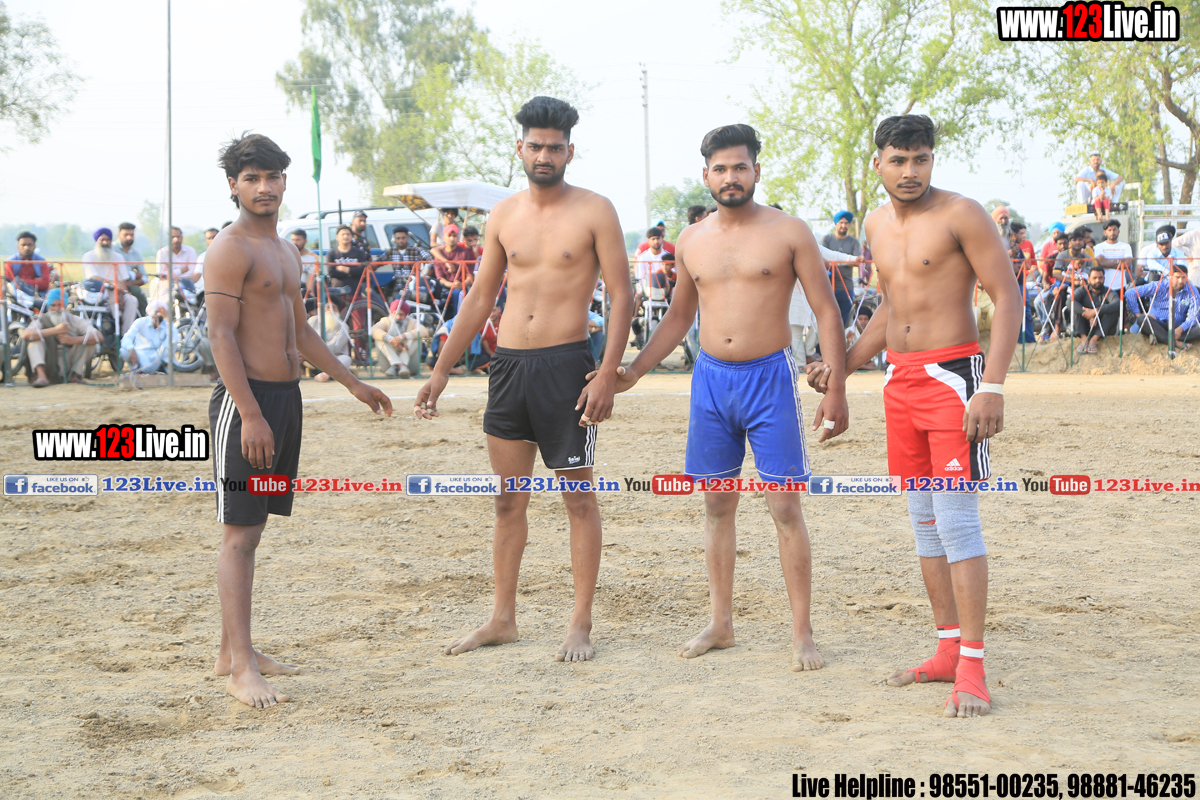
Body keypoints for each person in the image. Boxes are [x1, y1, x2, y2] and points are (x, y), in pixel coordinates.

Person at [613, 124, 849, 672]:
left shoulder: (789, 231)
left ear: (756, 170)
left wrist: (836, 386)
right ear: (706, 176)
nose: (730, 177)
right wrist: (635, 370)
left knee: (784, 505)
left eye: (740, 166)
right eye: (720, 169)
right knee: (717, 504)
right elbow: (679, 317)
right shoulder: (691, 239)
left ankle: (802, 633)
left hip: (771, 379)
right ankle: (721, 623)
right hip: (711, 380)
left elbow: (826, 309)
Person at [809, 114, 1021, 718]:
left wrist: (993, 386)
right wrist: (843, 369)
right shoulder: (874, 224)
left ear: (932, 160)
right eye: (898, 160)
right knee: (925, 522)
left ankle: (973, 669)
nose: (910, 171)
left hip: (954, 379)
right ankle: (948, 650)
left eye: (920, 159)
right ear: (877, 162)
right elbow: (890, 308)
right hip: (898, 380)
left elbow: (1007, 296)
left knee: (957, 523)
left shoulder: (962, 214)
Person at [414, 96, 634, 663]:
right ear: (520, 148)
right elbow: (479, 299)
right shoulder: (504, 215)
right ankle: (502, 619)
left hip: (567, 367)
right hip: (508, 367)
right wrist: (440, 370)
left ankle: (580, 623)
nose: (544, 155)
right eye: (535, 146)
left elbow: (622, 295)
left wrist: (606, 373)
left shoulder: (595, 210)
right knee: (508, 500)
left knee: (578, 499)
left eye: (554, 147)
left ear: (569, 152)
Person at [205, 132, 392, 708]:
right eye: (252, 178)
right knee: (239, 535)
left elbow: (302, 331)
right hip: (247, 404)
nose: (264, 187)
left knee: (255, 527)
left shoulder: (285, 250)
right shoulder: (229, 248)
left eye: (272, 177)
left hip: (286, 399)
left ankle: (232, 651)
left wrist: (353, 382)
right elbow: (221, 336)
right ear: (233, 185)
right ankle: (240, 669)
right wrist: (250, 414)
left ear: (285, 181)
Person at [19, 288, 101, 386]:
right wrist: (55, 330)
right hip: (48, 361)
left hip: (68, 361)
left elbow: (98, 337)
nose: (57, 309)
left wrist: (72, 340)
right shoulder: (42, 319)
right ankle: (42, 377)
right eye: (53, 305)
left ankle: (74, 375)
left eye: (60, 305)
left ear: (65, 306)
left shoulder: (75, 320)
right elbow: (26, 335)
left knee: (89, 342)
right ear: (49, 306)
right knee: (34, 340)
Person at [81, 227, 139, 334]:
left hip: (116, 291)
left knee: (132, 300)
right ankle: (113, 329)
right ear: (97, 241)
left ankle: (125, 335)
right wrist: (112, 283)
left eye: (108, 240)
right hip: (97, 293)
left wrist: (120, 296)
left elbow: (122, 280)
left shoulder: (118, 257)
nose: (105, 242)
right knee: (112, 299)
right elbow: (93, 277)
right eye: (102, 240)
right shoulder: (88, 256)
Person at [1125, 264, 1200, 346]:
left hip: (1177, 326)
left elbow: (1194, 315)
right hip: (1157, 323)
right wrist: (1138, 314)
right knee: (1143, 319)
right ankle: (1174, 343)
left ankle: (1159, 337)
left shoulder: (1192, 291)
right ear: (1170, 276)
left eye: (1184, 277)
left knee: (1197, 328)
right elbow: (1130, 293)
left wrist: (1181, 328)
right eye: (1177, 277)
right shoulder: (1159, 285)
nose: (1181, 281)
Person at [820, 210, 862, 326]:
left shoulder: (854, 242)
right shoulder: (826, 239)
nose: (844, 225)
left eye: (846, 223)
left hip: (846, 287)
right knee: (828, 321)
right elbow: (822, 259)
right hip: (828, 287)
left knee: (845, 321)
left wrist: (834, 262)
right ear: (836, 224)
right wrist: (846, 261)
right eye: (841, 223)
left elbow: (857, 262)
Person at [1072, 266, 1121, 353]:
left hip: (1103, 327)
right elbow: (1069, 301)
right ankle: (1084, 339)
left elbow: (1117, 304)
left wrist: (1096, 311)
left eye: (1100, 278)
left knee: (1112, 310)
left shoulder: (1109, 291)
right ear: (1088, 280)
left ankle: (1094, 340)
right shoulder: (1082, 290)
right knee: (1076, 307)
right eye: (1094, 278)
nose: (1098, 280)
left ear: (1104, 279)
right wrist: (1087, 314)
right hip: (1085, 326)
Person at [371, 299, 425, 377]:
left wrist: (403, 336)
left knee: (415, 338)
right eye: (395, 314)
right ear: (391, 313)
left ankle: (401, 365)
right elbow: (374, 330)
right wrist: (391, 339)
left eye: (401, 314)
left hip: (409, 366)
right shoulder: (386, 321)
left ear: (406, 314)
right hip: (389, 367)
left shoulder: (412, 321)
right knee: (380, 338)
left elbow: (423, 331)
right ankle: (399, 365)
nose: (398, 317)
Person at [431, 224, 475, 318]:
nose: (452, 238)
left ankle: (457, 320)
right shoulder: (439, 256)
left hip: (461, 287)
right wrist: (450, 285)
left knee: (457, 293)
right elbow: (440, 278)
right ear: (444, 238)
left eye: (454, 236)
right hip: (444, 287)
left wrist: (461, 284)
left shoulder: (465, 254)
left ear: (458, 238)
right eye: (449, 235)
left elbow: (470, 277)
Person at [381, 226, 434, 304]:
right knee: (396, 305)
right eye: (398, 238)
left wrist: (424, 277)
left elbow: (431, 261)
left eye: (403, 238)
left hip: (414, 289)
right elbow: (378, 262)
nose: (401, 240)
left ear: (407, 238)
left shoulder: (416, 250)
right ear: (395, 239)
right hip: (398, 289)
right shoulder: (390, 252)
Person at [306, 299, 353, 380]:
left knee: (346, 359)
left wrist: (314, 350)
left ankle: (325, 375)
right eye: (327, 307)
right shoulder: (313, 320)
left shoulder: (343, 326)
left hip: (333, 358)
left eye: (333, 307)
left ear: (338, 310)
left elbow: (335, 347)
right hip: (312, 358)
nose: (330, 310)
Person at [119, 302, 170, 373]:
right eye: (156, 312)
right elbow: (126, 338)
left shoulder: (167, 325)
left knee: (170, 346)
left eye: (160, 312)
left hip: (157, 357)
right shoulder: (141, 322)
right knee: (123, 350)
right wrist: (131, 349)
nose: (157, 314)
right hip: (140, 354)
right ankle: (136, 369)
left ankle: (157, 369)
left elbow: (174, 340)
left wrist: (167, 319)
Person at [114, 223, 150, 314]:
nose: (129, 237)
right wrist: (134, 274)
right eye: (126, 235)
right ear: (118, 235)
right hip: (113, 283)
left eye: (131, 235)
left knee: (137, 292)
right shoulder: (112, 249)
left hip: (129, 286)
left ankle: (144, 318)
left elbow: (144, 277)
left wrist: (128, 283)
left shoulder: (136, 253)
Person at [5, 231, 51, 295]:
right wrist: (36, 281)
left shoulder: (41, 261)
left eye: (29, 245)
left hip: (39, 295)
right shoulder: (11, 261)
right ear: (18, 247)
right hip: (15, 295)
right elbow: (8, 283)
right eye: (23, 245)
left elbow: (45, 284)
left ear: (34, 246)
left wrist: (21, 281)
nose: (26, 248)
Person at [1093, 218, 1132, 291]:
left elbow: (1127, 264)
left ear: (1118, 231)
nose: (1112, 232)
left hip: (1120, 285)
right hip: (1103, 285)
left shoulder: (1126, 246)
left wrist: (1107, 261)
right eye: (1109, 230)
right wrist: (1118, 261)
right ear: (1105, 232)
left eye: (1114, 229)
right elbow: (1101, 263)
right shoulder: (1099, 247)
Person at [194, 227, 220, 294]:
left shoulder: (228, 255)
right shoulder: (202, 257)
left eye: (214, 237)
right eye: (209, 238)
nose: (212, 240)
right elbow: (196, 276)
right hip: (205, 292)